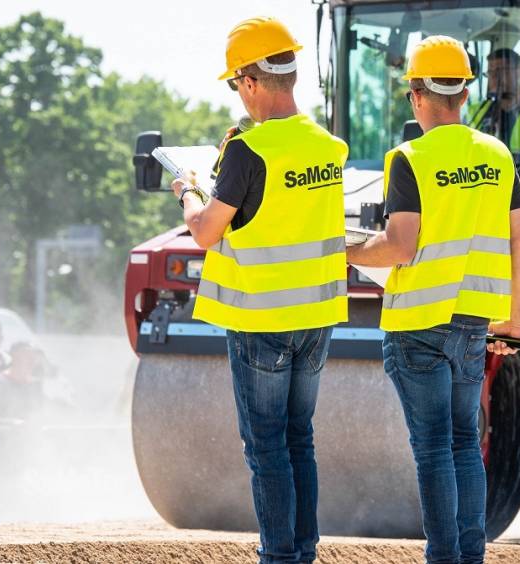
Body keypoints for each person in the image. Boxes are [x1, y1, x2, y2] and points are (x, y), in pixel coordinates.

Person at [346, 35, 520, 564]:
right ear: (464, 94)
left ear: (417, 94)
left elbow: (401, 246)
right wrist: (513, 324)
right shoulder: (497, 156)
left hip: (419, 325)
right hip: (474, 324)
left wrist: (346, 253)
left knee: (433, 450)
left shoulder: (410, 159)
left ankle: (444, 557)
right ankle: (467, 557)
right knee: (463, 445)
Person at [171, 16, 349, 564]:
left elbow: (205, 232)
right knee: (300, 439)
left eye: (235, 85)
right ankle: (302, 548)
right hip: (315, 317)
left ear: (250, 81)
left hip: (261, 323)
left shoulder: (250, 152)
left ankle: (279, 555)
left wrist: (189, 190)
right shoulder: (328, 147)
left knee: (267, 445)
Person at [467, 48, 520, 167]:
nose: (493, 77)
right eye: (490, 73)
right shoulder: (474, 114)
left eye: (499, 71)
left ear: (519, 71)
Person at [0, 341, 45, 422]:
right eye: (27, 357)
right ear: (15, 358)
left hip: (31, 433)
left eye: (34, 357)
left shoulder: (35, 385)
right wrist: (13, 423)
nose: (32, 361)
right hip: (2, 433)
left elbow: (40, 414)